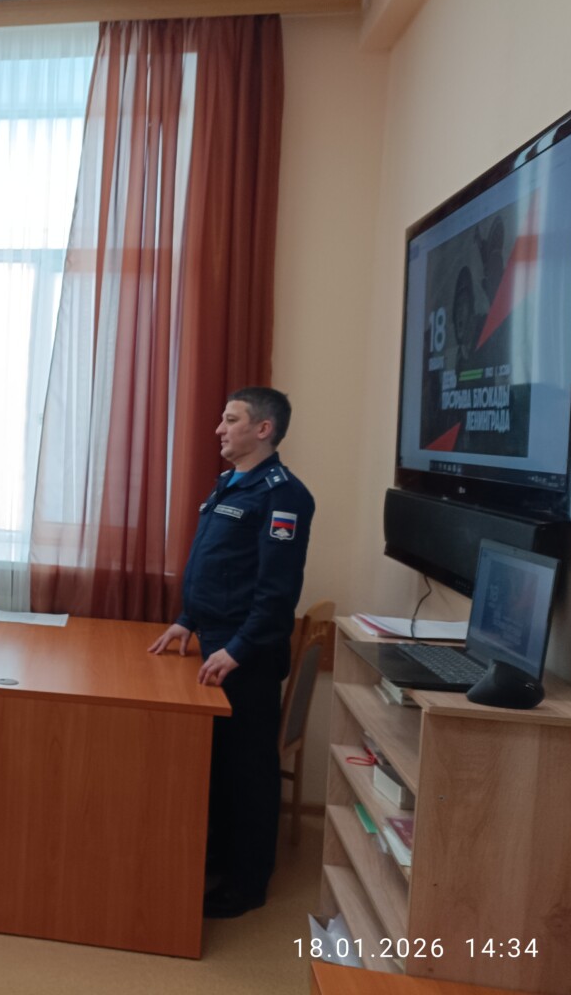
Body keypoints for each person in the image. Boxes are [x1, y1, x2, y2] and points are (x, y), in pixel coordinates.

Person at [148, 387, 314, 919]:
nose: (219, 428)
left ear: (263, 429)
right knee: (219, 765)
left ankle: (247, 884)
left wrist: (237, 649)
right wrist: (188, 619)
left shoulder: (283, 496)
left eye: (231, 419)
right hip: (216, 640)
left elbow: (276, 592)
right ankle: (221, 855)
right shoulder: (230, 483)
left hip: (247, 655)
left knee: (248, 771)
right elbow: (217, 566)